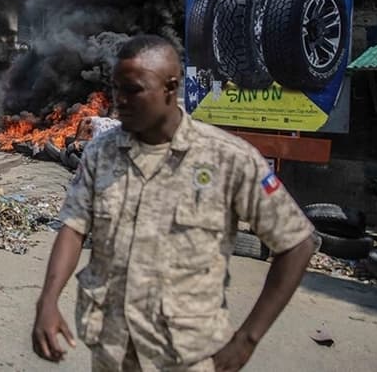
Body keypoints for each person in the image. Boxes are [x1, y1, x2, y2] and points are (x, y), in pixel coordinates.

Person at [32, 35, 315, 371]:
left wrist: (248, 338)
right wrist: (47, 300)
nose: (120, 100)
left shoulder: (229, 159)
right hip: (113, 350)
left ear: (170, 87)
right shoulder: (101, 152)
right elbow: (74, 227)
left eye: (133, 90)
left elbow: (297, 243)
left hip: (188, 355)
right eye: (116, 89)